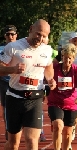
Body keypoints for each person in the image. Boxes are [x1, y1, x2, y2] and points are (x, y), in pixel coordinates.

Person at [0, 19, 56, 150]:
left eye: (44, 36)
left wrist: (50, 79)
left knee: (31, 140)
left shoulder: (47, 50)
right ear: (31, 29)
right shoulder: (13, 47)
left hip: (35, 99)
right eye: (38, 34)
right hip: (14, 98)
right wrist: (13, 69)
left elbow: (48, 67)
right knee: (13, 144)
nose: (40, 38)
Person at [48, 43, 77, 150]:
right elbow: (46, 79)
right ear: (62, 57)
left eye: (70, 58)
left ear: (73, 58)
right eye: (65, 58)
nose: (67, 61)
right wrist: (49, 84)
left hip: (72, 104)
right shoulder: (55, 68)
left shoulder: (76, 70)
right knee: (57, 125)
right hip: (55, 103)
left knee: (67, 132)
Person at [53, 32, 77, 143]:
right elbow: (52, 66)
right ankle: (64, 134)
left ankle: (71, 129)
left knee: (76, 118)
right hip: (61, 92)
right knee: (59, 123)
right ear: (70, 41)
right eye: (74, 40)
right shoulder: (63, 51)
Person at [0, 25, 18, 141]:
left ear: (16, 35)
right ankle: (8, 131)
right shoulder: (0, 49)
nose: (10, 36)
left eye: (12, 34)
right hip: (4, 82)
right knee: (6, 108)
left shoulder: (21, 47)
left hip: (18, 82)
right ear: (4, 36)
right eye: (8, 34)